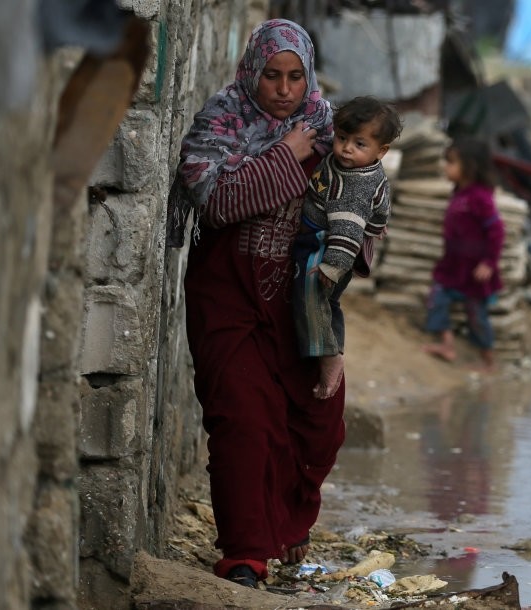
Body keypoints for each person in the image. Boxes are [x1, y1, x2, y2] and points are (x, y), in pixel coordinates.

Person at [165, 19, 342, 589]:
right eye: (272, 76)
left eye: (295, 77)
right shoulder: (221, 122)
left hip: (299, 308)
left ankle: (286, 523)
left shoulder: (330, 129)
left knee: (316, 419)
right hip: (229, 300)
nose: (284, 90)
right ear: (252, 71)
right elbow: (216, 201)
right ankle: (245, 553)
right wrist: (286, 156)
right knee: (243, 418)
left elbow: (358, 209)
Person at [293, 96, 401, 400]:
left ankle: (326, 355)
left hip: (327, 244)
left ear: (382, 151)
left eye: (359, 144)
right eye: (342, 138)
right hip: (335, 237)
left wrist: (332, 265)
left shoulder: (355, 184)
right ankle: (333, 347)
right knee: (332, 304)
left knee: (310, 295)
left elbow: (348, 230)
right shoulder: (357, 166)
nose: (346, 148)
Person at [423, 138, 505, 372]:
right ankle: (447, 344)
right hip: (453, 265)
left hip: (475, 269)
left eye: (451, 163)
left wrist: (489, 262)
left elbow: (496, 231)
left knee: (477, 316)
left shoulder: (481, 197)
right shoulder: (459, 193)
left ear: (470, 166)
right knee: (437, 298)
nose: (445, 168)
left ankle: (488, 359)